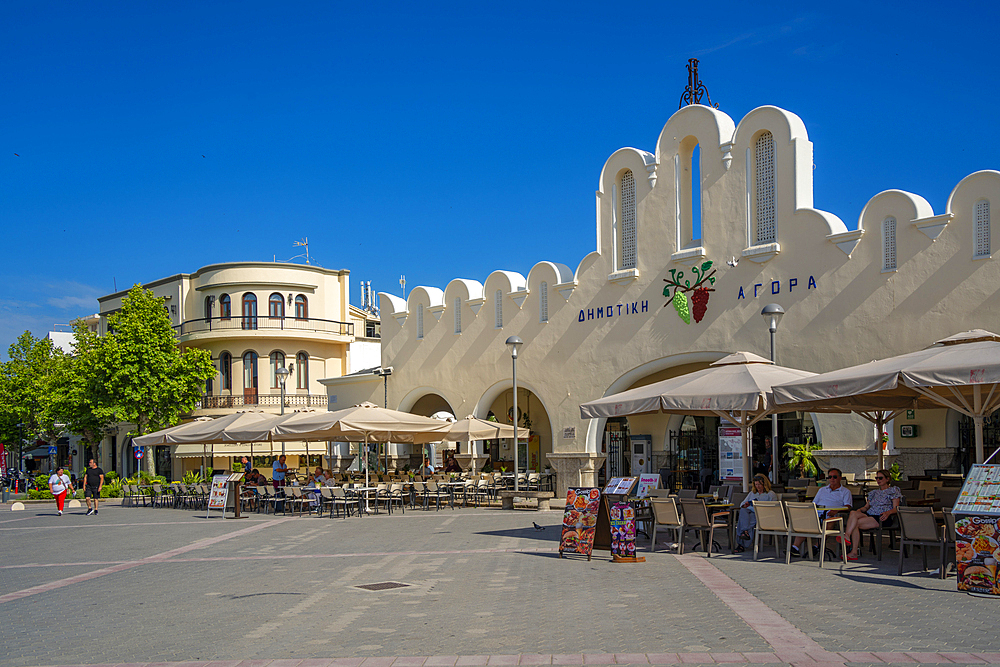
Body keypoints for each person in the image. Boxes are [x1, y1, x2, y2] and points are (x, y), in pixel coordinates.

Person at [790, 467, 853, 556]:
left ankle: (817, 546)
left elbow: (848, 506)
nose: (832, 479)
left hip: (833, 515)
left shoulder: (845, 492)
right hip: (818, 514)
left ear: (840, 478)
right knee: (805, 522)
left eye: (834, 477)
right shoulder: (822, 490)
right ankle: (795, 548)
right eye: (830, 477)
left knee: (829, 521)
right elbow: (814, 503)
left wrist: (836, 511)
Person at [844, 469, 902, 561]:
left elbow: (896, 508)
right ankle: (848, 538)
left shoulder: (893, 490)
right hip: (870, 514)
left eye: (880, 478)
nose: (878, 480)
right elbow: (866, 507)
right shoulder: (874, 492)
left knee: (855, 523)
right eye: (876, 478)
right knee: (853, 513)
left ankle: (853, 549)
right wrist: (860, 510)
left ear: (887, 479)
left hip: (882, 516)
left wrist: (888, 512)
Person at [735, 474, 777, 552]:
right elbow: (742, 504)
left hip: (762, 515)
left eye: (760, 484)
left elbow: (773, 509)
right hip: (750, 514)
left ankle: (742, 542)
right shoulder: (752, 493)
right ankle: (745, 533)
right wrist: (747, 504)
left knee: (745, 520)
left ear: (764, 484)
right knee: (743, 511)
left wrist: (752, 507)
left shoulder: (770, 494)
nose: (758, 487)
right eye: (756, 484)